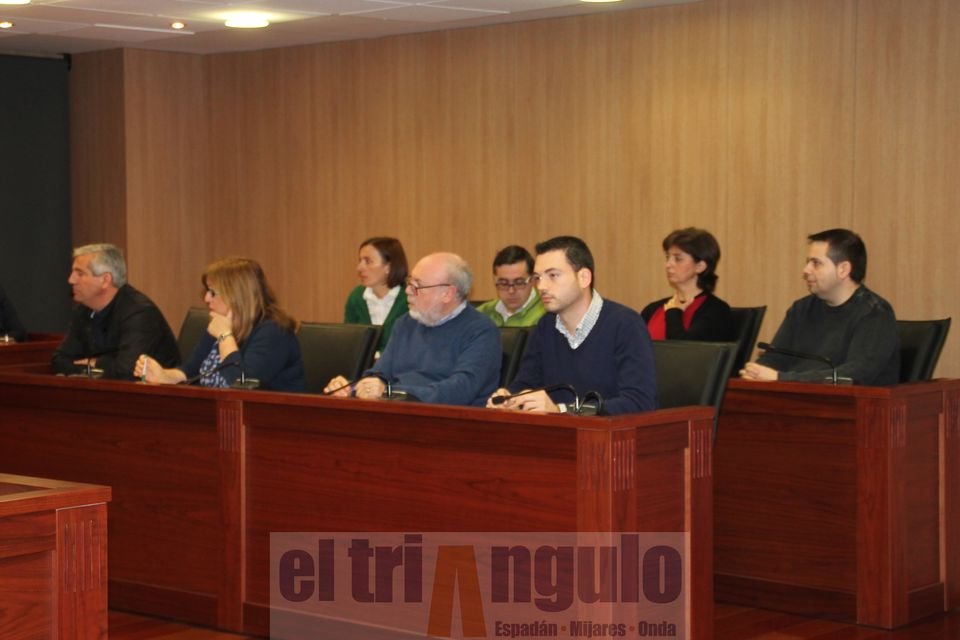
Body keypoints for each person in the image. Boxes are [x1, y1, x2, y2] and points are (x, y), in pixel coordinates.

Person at [487, 236, 657, 415]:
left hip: (610, 432)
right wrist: (510, 398)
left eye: (553, 276)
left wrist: (563, 410)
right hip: (557, 431)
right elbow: (527, 383)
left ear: (584, 278)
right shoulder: (546, 326)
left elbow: (639, 402)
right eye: (538, 278)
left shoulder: (626, 325)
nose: (542, 286)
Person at [325, 252, 500, 406]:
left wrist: (391, 393)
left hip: (452, 422)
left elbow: (459, 391)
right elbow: (380, 373)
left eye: (417, 286)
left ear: (447, 294)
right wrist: (354, 387)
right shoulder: (406, 323)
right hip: (399, 413)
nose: (408, 291)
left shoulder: (481, 331)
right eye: (409, 282)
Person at [740, 228, 899, 385]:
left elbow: (854, 374)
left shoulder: (874, 313)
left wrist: (781, 378)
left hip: (849, 400)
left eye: (816, 263)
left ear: (843, 269)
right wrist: (756, 372)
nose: (806, 270)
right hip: (796, 396)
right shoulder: (801, 309)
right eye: (808, 262)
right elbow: (775, 358)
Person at [136, 257, 305, 392]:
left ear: (237, 295)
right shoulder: (220, 323)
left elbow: (243, 384)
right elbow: (190, 371)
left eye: (213, 292)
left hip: (267, 420)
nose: (206, 298)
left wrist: (225, 336)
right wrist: (164, 376)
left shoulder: (274, 332)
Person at [51, 243, 179, 379]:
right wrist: (96, 367)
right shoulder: (84, 310)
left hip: (153, 391)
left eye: (80, 273)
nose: (71, 280)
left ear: (105, 280)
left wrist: (96, 363)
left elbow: (126, 372)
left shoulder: (139, 313)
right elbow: (59, 361)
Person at [641, 227, 735, 341]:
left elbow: (684, 349)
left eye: (678, 259)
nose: (668, 265)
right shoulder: (652, 309)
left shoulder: (717, 311)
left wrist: (673, 313)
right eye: (667, 257)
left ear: (700, 266)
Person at [343, 237, 409, 352]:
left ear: (388, 267)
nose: (359, 268)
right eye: (360, 261)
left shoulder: (410, 298)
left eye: (368, 261)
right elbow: (348, 341)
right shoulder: (356, 297)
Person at [475, 245, 546, 327]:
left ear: (533, 280)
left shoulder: (547, 314)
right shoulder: (481, 314)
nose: (511, 291)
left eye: (519, 283)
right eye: (504, 284)